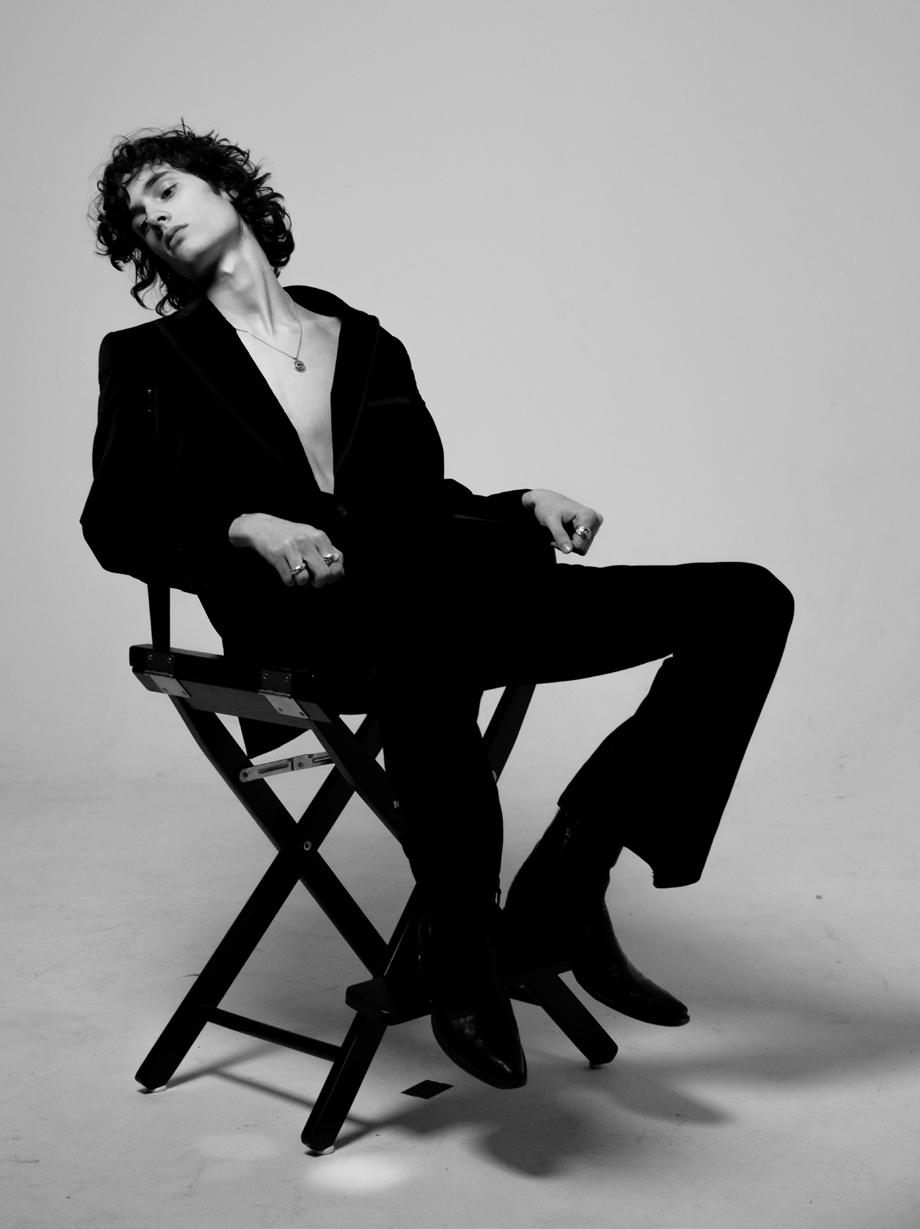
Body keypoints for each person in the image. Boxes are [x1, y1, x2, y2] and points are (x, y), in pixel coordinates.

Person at [82, 122, 795, 1092]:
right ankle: (462, 942)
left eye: (165, 188)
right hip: (312, 627)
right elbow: (117, 522)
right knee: (427, 640)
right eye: (135, 217)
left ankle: (572, 874)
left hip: (444, 595)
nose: (152, 216)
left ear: (230, 191)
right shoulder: (149, 356)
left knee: (747, 600)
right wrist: (246, 526)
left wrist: (518, 504)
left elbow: (416, 505)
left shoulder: (368, 342)